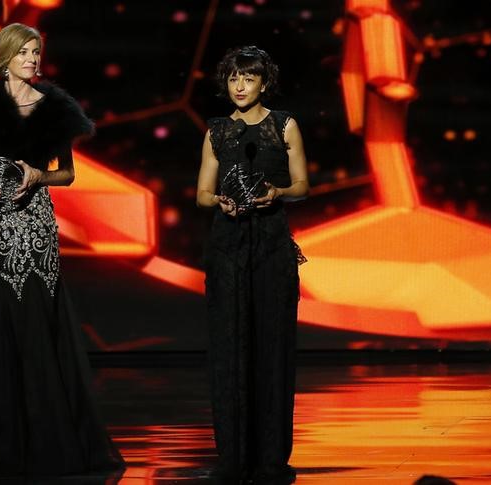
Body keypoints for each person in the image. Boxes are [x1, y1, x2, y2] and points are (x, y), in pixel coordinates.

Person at [0, 23, 124, 479]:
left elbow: (67, 173)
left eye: (35, 51)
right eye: (24, 52)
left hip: (32, 224)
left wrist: (36, 176)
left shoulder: (55, 109)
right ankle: (8, 443)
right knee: (0, 321)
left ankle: (51, 440)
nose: (32, 59)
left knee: (34, 319)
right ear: (4, 57)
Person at [196, 46, 308, 482]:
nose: (239, 86)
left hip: (271, 249)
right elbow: (201, 192)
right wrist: (218, 201)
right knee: (229, 348)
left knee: (272, 347)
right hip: (226, 249)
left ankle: (270, 457)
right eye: (233, 79)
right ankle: (232, 456)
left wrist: (277, 194)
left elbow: (302, 185)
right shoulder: (217, 132)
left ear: (264, 83)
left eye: (248, 78)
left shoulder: (284, 125)